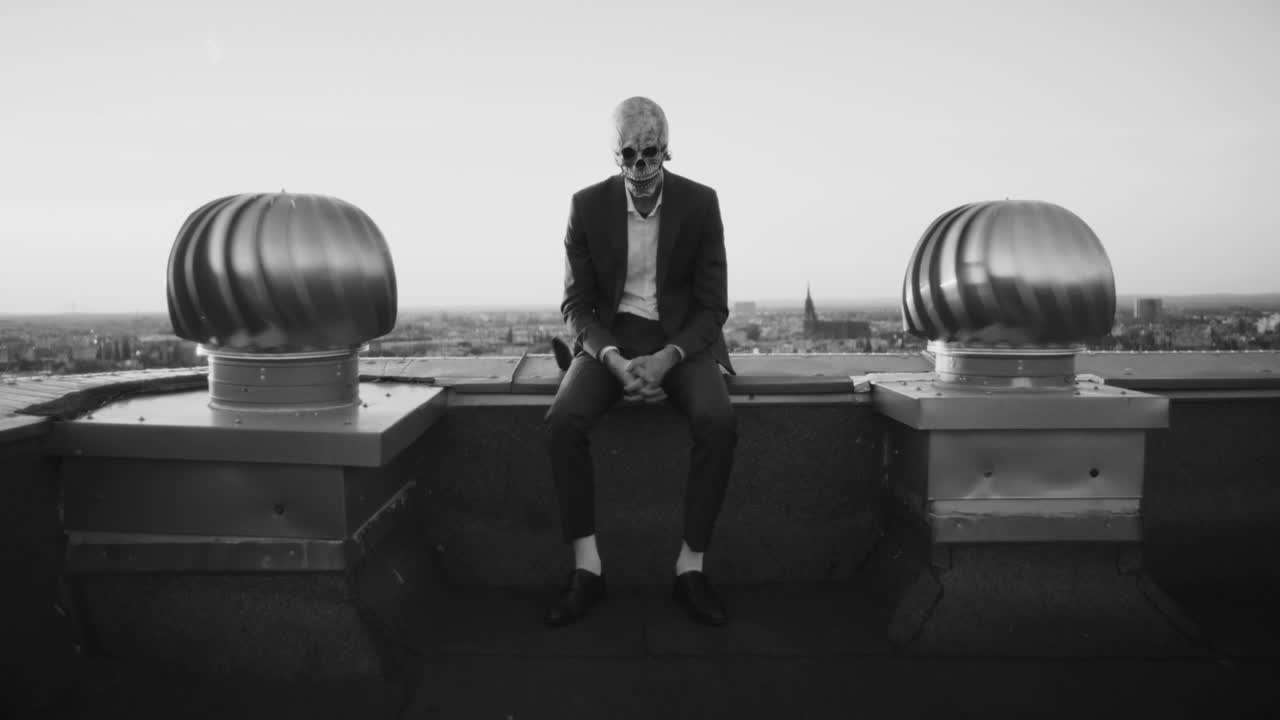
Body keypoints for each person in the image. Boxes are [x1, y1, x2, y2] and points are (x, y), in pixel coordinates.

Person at [544, 97, 737, 627]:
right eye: (629, 155)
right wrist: (610, 358)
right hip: (611, 334)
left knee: (718, 422)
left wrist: (669, 358)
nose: (640, 167)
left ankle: (690, 568)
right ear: (615, 157)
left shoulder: (701, 204)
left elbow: (712, 305)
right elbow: (576, 304)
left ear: (666, 151)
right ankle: (587, 569)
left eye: (650, 154)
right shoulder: (586, 206)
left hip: (679, 336)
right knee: (563, 421)